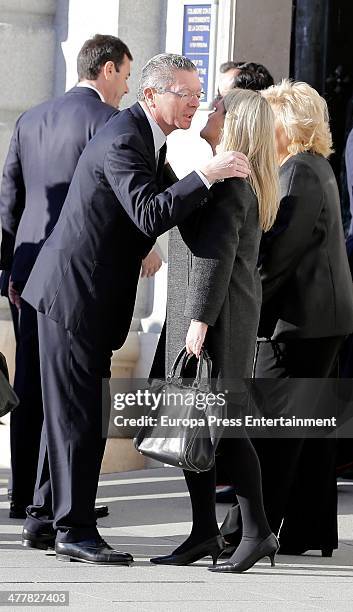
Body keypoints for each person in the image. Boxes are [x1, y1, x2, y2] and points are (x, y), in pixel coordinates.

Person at [19, 53, 250, 565]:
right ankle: (73, 530)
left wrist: (209, 169)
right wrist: (209, 172)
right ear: (152, 95)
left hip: (79, 296)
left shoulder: (147, 137)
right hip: (73, 297)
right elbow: (150, 210)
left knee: (69, 412)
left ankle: (43, 517)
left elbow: (165, 202)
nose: (194, 102)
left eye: (198, 94)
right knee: (80, 418)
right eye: (185, 94)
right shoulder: (125, 136)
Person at [0, 34, 158, 521]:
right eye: (126, 75)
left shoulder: (30, 117)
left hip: (27, 271)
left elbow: (9, 197)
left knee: (30, 385)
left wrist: (7, 269)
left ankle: (28, 496)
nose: (126, 88)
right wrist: (145, 245)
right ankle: (58, 501)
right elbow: (118, 198)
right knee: (69, 393)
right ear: (106, 69)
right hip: (77, 274)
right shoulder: (110, 124)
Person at [150, 88, 280, 573]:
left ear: (235, 124)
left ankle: (258, 531)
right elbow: (188, 222)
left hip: (214, 319)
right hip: (202, 314)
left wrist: (200, 321)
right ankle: (204, 530)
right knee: (194, 423)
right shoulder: (222, 173)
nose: (210, 112)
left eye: (219, 108)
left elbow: (216, 255)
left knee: (221, 428)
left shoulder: (232, 180)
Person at [222, 80, 353, 557]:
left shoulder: (298, 169)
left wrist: (239, 306)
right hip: (322, 321)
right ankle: (308, 530)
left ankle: (249, 532)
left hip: (299, 325)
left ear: (288, 123)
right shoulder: (315, 166)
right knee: (310, 432)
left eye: (272, 118)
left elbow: (276, 259)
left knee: (273, 431)